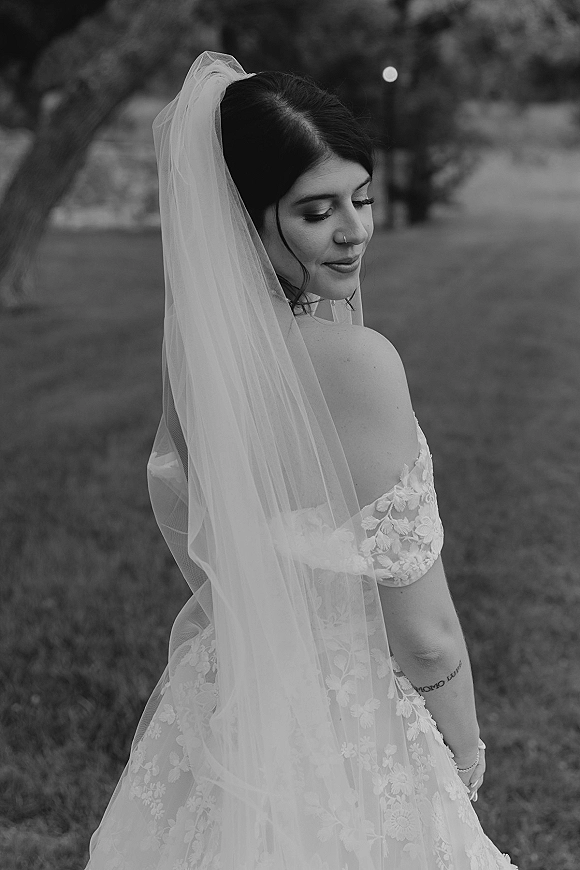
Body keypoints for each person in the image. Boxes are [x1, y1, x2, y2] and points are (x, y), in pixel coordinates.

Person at [85, 52, 517, 870]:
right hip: (351, 722)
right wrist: (461, 753)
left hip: (233, 699)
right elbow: (423, 635)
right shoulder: (357, 366)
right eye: (317, 211)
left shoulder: (201, 356)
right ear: (242, 218)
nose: (355, 230)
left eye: (361, 198)